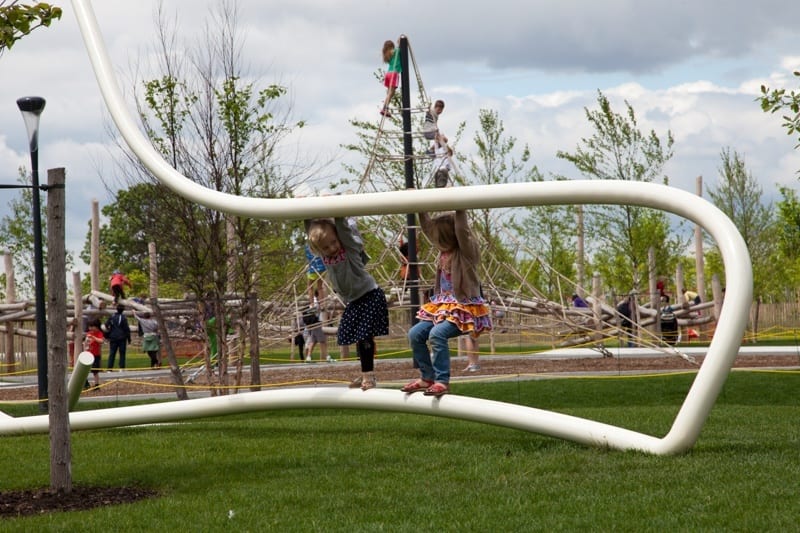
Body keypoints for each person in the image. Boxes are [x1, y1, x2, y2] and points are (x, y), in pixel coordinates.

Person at [403, 209, 492, 396]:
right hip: (442, 306)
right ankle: (427, 377)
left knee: (436, 334)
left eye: (439, 238)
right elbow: (428, 229)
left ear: (449, 237)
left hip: (463, 306)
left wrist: (459, 208)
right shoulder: (442, 251)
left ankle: (442, 380)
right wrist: (419, 207)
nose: (435, 241)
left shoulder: (466, 252)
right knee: (415, 334)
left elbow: (462, 230)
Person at [305, 217, 389, 390]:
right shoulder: (324, 255)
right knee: (352, 336)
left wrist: (338, 212)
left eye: (334, 243)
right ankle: (366, 372)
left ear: (339, 238)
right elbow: (310, 233)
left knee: (364, 336)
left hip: (370, 295)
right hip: (354, 301)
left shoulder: (348, 248)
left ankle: (368, 376)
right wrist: (307, 213)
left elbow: (342, 227)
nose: (332, 248)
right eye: (326, 247)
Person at [104, 304, 131, 370]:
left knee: (112, 353)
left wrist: (110, 330)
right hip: (122, 337)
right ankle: (121, 367)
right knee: (122, 353)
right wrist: (129, 338)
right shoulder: (123, 317)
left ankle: (109, 368)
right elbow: (126, 329)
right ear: (123, 310)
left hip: (113, 337)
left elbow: (106, 324)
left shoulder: (112, 316)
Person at [380, 39, 401, 117]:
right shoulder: (395, 51)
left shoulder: (387, 55)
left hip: (388, 74)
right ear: (392, 46)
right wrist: (400, 42)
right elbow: (399, 48)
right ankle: (385, 107)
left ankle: (386, 108)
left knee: (389, 92)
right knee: (391, 92)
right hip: (394, 74)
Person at [84, 318, 104, 389]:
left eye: (92, 326)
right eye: (89, 326)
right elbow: (86, 343)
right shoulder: (89, 333)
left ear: (97, 326)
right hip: (88, 354)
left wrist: (93, 337)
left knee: (95, 371)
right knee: (85, 370)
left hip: (95, 355)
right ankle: (85, 383)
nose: (90, 328)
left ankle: (96, 384)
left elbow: (101, 341)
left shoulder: (99, 333)